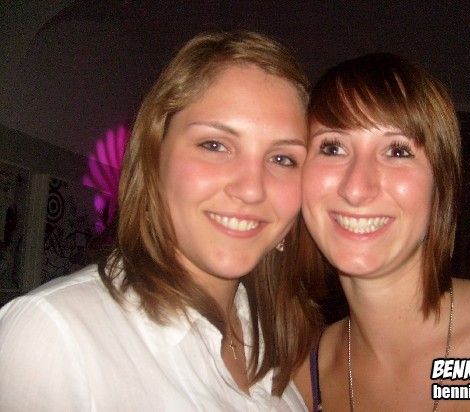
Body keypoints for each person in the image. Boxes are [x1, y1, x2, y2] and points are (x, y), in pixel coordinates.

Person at [0, 31, 322, 411]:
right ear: (154, 157)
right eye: (215, 145)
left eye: (283, 159)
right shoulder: (52, 335)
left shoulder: (277, 340)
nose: (251, 189)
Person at [294, 53, 470, 411]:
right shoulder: (298, 382)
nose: (356, 188)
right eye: (332, 147)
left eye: (398, 151)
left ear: (441, 186)